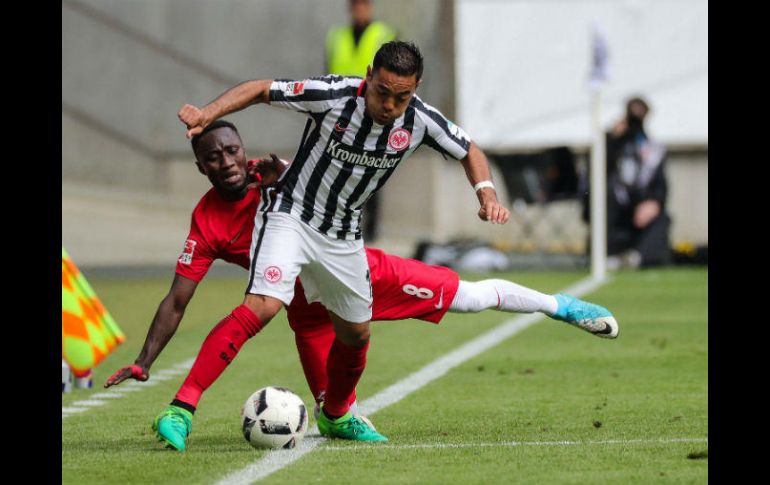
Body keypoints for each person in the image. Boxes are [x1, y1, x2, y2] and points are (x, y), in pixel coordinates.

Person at [105, 121, 619, 451]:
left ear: (244, 150)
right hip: (304, 308)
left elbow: (324, 183)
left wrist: (285, 170)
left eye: (232, 151)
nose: (227, 163)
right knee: (326, 397)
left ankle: (559, 305)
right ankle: (183, 408)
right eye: (214, 158)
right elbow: (177, 299)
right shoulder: (207, 223)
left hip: (354, 271)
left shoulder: (277, 175)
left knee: (469, 297)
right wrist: (145, 359)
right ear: (201, 167)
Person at [170, 41, 510, 446]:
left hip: (342, 235)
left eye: (401, 97)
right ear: (369, 76)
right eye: (382, 92)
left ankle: (335, 415)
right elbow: (262, 89)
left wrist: (486, 194)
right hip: (291, 215)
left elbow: (468, 149)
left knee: (356, 335)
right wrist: (207, 114)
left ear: (415, 89)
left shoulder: (420, 120)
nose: (389, 105)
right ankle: (181, 408)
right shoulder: (331, 94)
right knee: (263, 306)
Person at [325, 0, 397, 241]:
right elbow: (329, 73)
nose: (360, 10)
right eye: (356, 6)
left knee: (371, 168)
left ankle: (371, 228)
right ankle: (338, 222)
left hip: (374, 110)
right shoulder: (336, 36)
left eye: (364, 5)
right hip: (344, 110)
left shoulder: (384, 34)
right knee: (340, 166)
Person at [583, 96, 671, 269]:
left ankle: (636, 257)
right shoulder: (613, 144)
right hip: (615, 206)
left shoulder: (651, 149)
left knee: (663, 218)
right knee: (605, 199)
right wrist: (611, 138)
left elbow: (661, 185)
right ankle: (606, 256)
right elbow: (595, 170)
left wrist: (653, 202)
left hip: (639, 207)